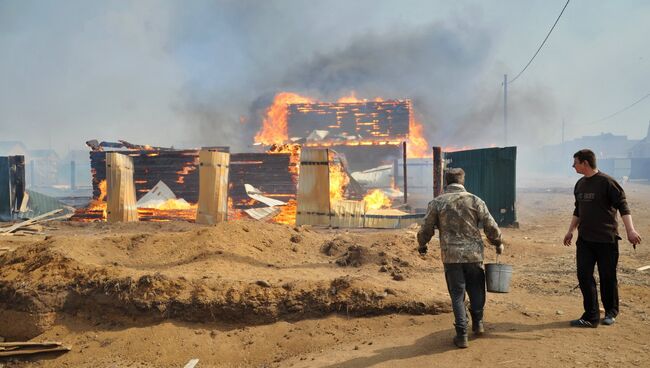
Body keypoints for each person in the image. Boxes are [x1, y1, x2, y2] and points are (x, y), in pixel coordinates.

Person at [417, 168, 503, 348]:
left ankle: (462, 334)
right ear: (463, 180)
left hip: (451, 256)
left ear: (445, 181)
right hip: (474, 255)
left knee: (457, 294)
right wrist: (497, 242)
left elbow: (426, 228)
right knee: (477, 289)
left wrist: (422, 245)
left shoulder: (437, 202)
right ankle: (478, 323)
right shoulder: (475, 200)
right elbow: (490, 225)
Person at [564, 149, 642, 328]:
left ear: (585, 163)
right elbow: (578, 210)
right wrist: (570, 231)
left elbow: (623, 206)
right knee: (584, 275)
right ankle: (591, 316)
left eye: (575, 162)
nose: (573, 166)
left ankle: (610, 312)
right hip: (585, 240)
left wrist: (630, 230)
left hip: (606, 239)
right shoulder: (580, 185)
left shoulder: (607, 183)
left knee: (607, 277)